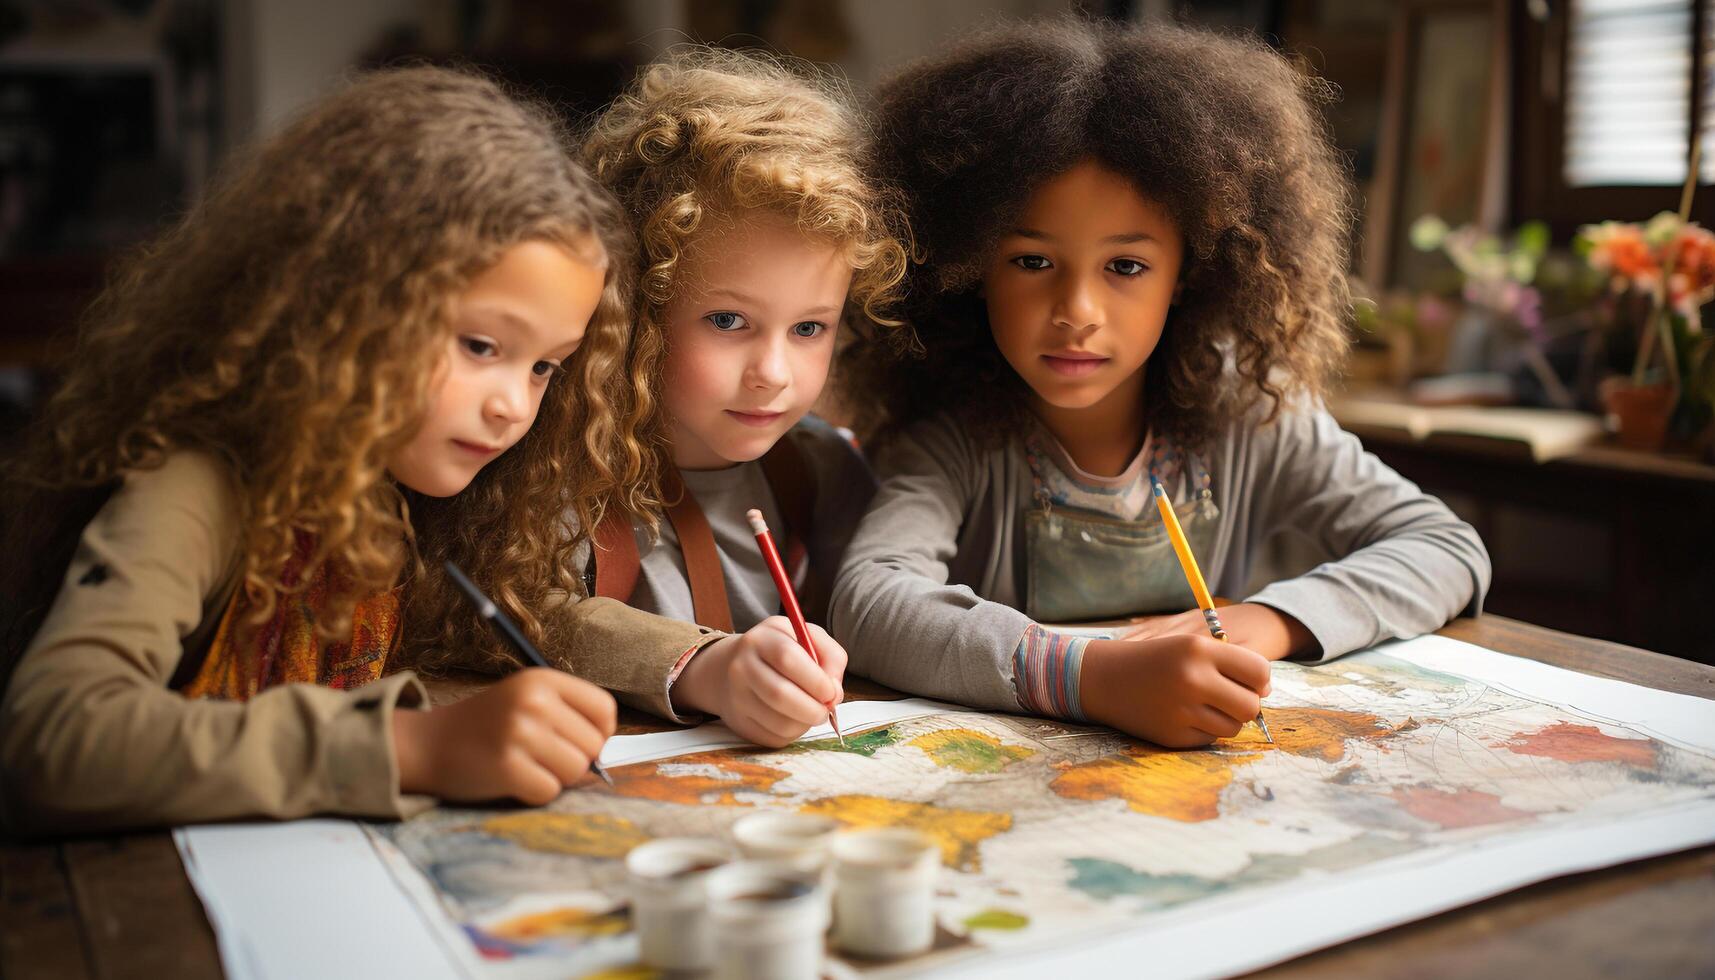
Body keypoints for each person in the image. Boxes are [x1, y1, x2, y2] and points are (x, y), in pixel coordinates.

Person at [0, 67, 707, 834]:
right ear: (343, 307)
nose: (513, 405)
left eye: (544, 366)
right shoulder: (196, 488)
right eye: (478, 345)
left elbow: (506, 613)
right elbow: (54, 735)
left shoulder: (403, 483)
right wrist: (408, 748)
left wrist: (697, 665)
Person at [832, 20, 1491, 748]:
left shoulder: (1249, 415)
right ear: (966, 269)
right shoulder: (954, 441)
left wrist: (1267, 621)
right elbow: (869, 603)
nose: (1076, 313)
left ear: (1191, 273)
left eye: (1125, 267)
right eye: (1030, 262)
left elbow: (1442, 545)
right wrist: (1092, 677)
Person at [579, 49, 910, 746]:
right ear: (635, 307)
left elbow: (892, 597)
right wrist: (708, 667)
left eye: (808, 328)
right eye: (727, 321)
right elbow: (531, 612)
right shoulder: (567, 472)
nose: (772, 371)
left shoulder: (821, 469)